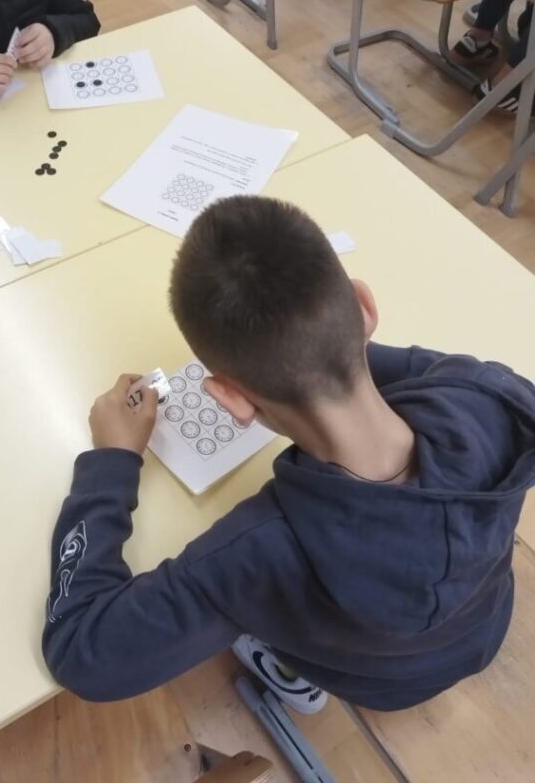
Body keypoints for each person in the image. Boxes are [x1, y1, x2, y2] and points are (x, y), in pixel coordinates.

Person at [42, 196, 535, 713]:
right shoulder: (490, 396)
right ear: (365, 307)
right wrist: (321, 345)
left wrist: (112, 462)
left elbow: (81, 651)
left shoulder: (254, 554)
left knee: (247, 608)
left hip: (374, 684)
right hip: (482, 628)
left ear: (229, 398)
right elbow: (418, 369)